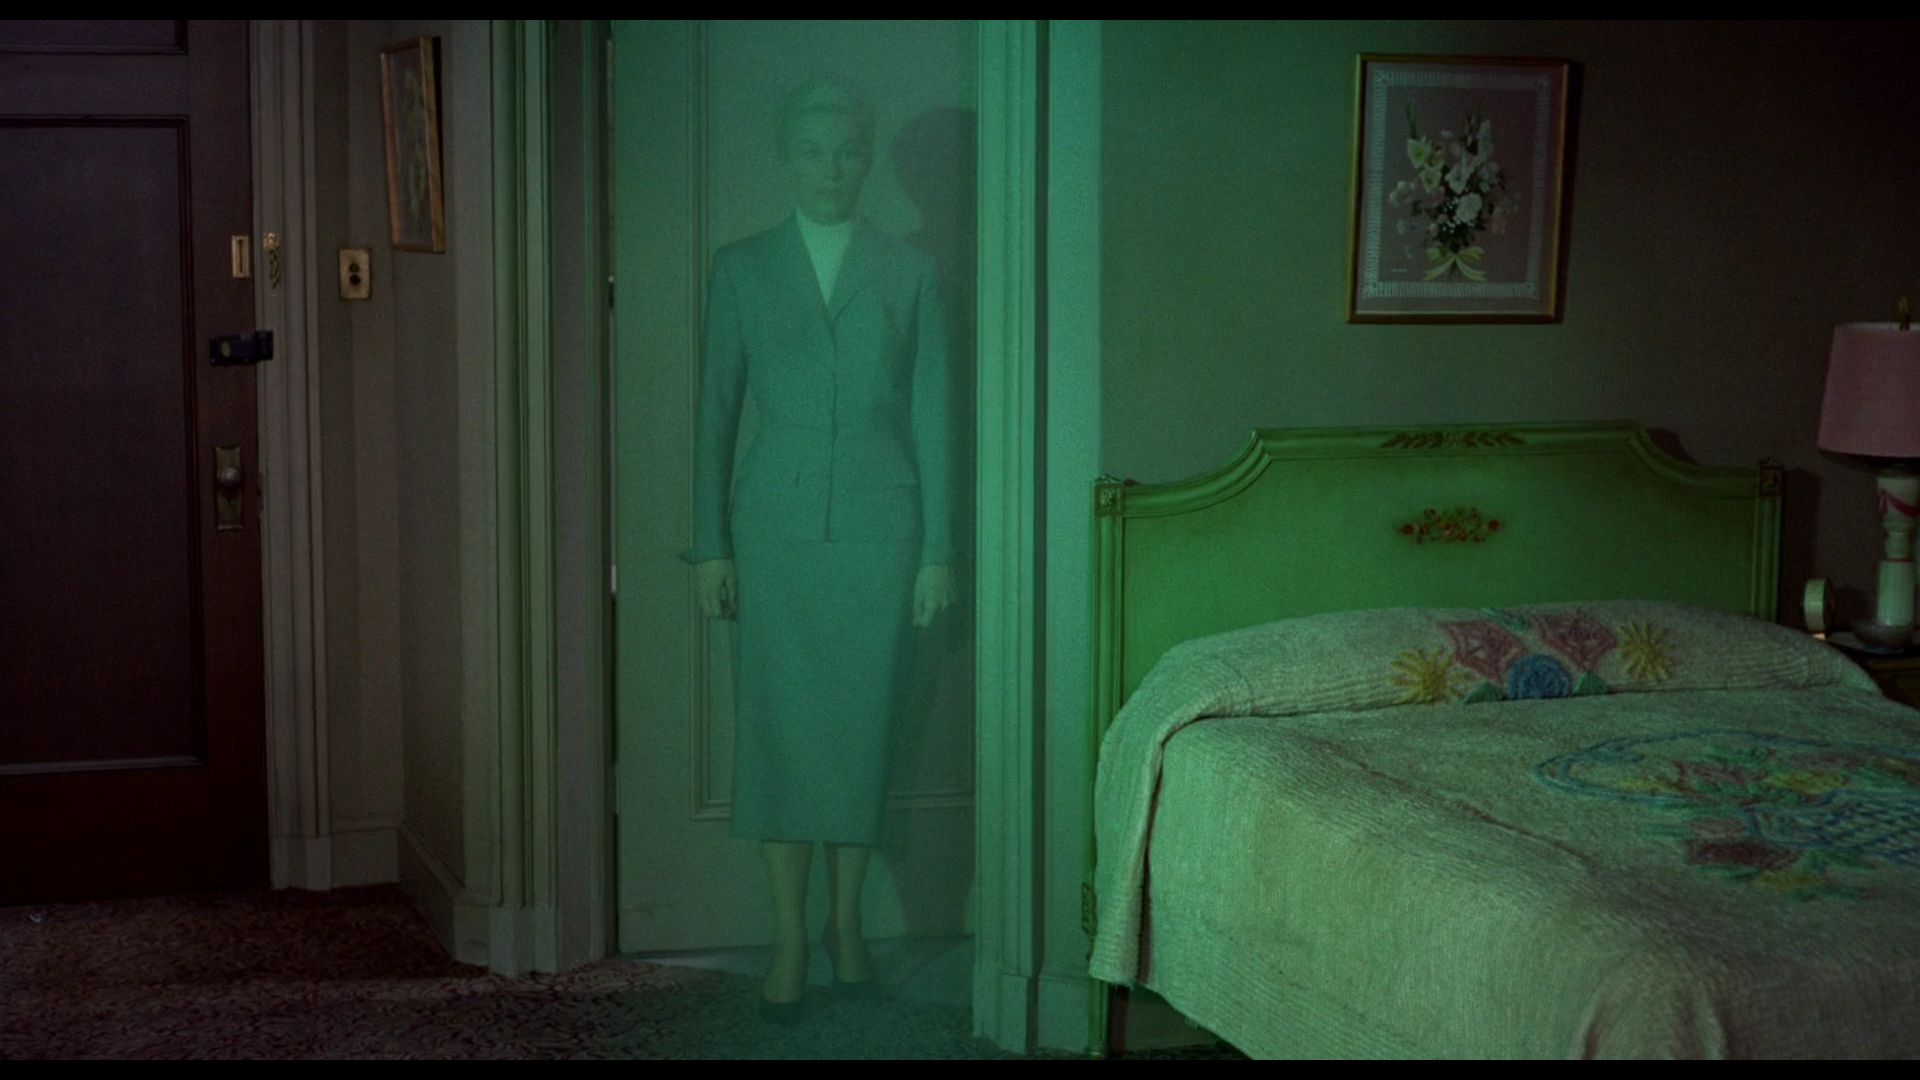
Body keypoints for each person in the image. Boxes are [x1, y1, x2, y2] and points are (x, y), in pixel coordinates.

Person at [683, 77, 958, 1022]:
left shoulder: (909, 270)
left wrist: (938, 551)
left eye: (846, 151)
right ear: (784, 156)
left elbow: (935, 416)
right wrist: (710, 548)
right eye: (812, 150)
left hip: (883, 537)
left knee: (858, 735)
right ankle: (790, 936)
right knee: (780, 735)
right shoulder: (742, 268)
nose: (831, 169)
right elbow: (714, 416)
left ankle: (845, 927)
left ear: (869, 159)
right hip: (774, 535)